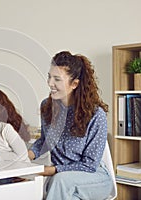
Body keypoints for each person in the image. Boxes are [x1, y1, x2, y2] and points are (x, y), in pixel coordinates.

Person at [28, 51, 114, 199]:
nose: (50, 83)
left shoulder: (95, 114)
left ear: (74, 84)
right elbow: (45, 140)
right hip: (61, 178)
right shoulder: (47, 107)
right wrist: (25, 156)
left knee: (60, 181)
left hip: (93, 178)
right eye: (49, 77)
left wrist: (52, 170)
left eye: (57, 79)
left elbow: (89, 165)